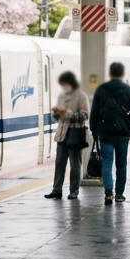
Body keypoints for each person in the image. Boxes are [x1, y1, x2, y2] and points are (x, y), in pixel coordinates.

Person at [89, 61, 130, 205]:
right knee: (121, 164)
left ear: (109, 74)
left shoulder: (101, 90)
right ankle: (119, 194)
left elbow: (94, 113)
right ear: (123, 74)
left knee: (106, 163)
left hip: (105, 134)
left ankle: (108, 193)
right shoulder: (128, 90)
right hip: (122, 134)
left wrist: (94, 131)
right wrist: (128, 123)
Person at [44, 70, 90, 200]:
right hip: (62, 134)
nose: (64, 87)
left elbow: (85, 115)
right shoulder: (62, 96)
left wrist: (67, 113)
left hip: (75, 133)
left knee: (75, 164)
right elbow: (58, 117)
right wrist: (57, 114)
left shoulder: (81, 96)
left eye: (65, 84)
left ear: (71, 83)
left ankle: (74, 190)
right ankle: (56, 189)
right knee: (59, 163)